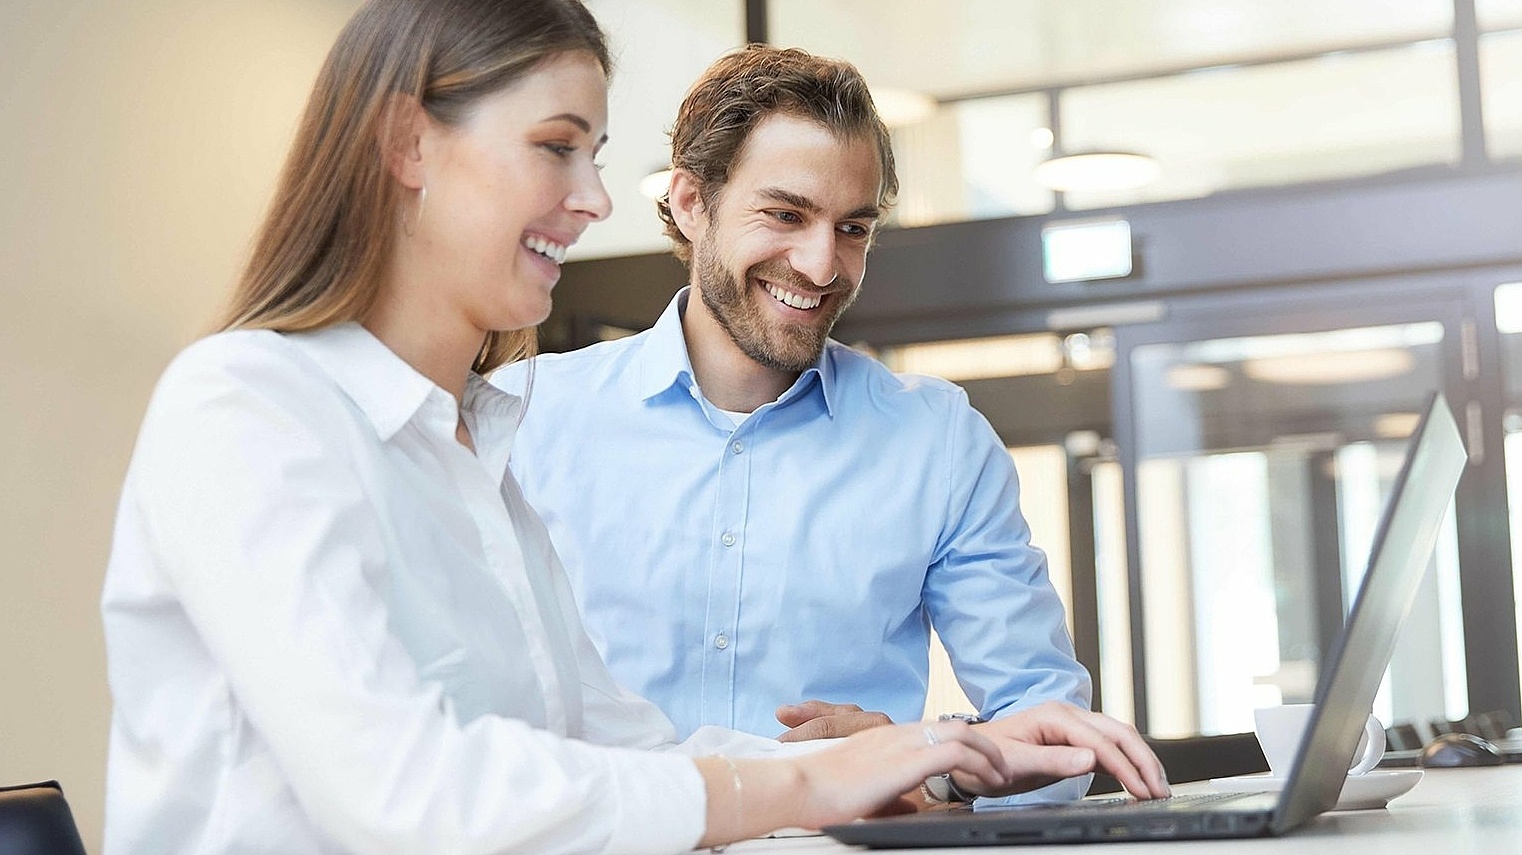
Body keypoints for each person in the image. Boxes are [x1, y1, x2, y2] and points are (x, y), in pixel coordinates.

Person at [100, 1, 1168, 852]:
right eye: (558, 148)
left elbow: (618, 746)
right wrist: (811, 776)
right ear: (406, 144)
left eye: (595, 153)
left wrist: (918, 754)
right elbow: (404, 790)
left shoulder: (469, 446)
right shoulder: (246, 405)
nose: (594, 198)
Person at [495, 45, 1097, 800]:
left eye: (854, 228)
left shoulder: (937, 441)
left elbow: (1052, 735)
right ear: (690, 201)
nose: (820, 264)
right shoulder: (523, 418)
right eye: (785, 214)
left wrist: (923, 763)